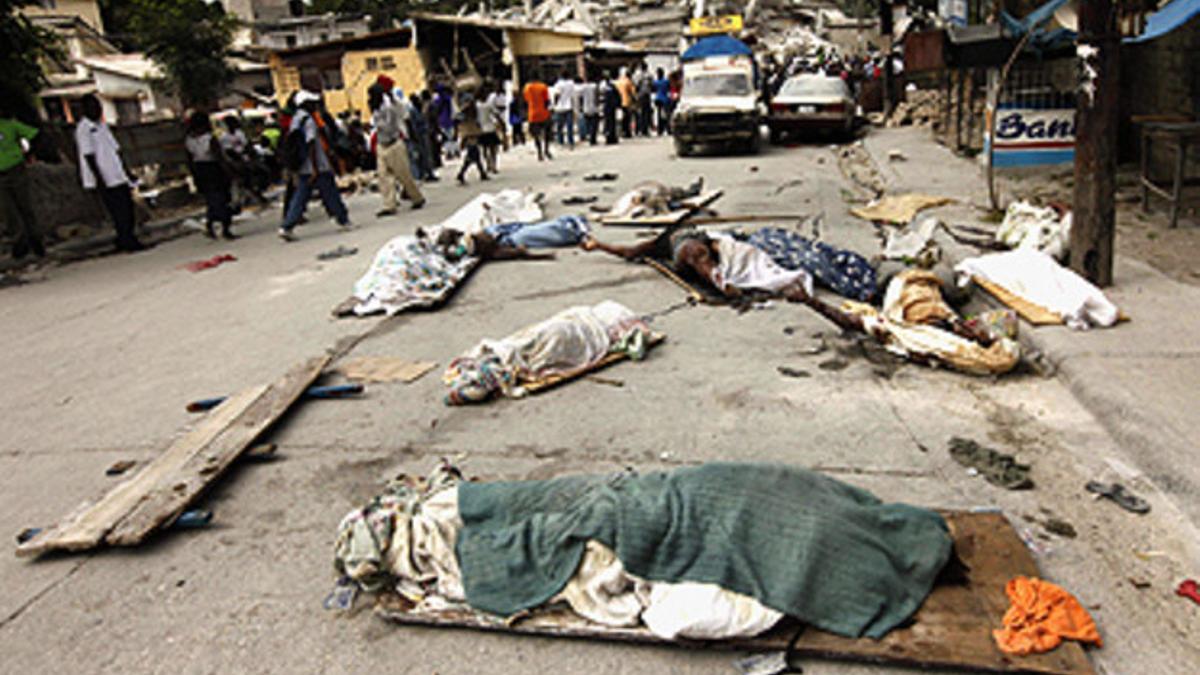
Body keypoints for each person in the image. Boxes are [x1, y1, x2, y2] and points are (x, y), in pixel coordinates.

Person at [75, 94, 146, 252]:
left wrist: (127, 172)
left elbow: (116, 150)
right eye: (93, 106)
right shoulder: (84, 128)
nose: (97, 109)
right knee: (117, 210)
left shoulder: (102, 125)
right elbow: (88, 155)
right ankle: (126, 240)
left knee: (127, 207)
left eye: (98, 106)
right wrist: (99, 179)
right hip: (104, 177)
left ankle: (126, 237)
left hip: (116, 173)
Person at [278, 90, 351, 241]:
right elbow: (311, 144)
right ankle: (343, 219)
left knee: (300, 196)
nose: (315, 106)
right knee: (331, 193)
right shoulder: (309, 121)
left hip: (304, 166)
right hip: (317, 165)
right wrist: (316, 168)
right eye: (312, 103)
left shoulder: (296, 120)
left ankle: (287, 226)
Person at [368, 84, 424, 217]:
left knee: (403, 175)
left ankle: (417, 198)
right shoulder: (375, 110)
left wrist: (377, 124)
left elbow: (388, 127)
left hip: (394, 144)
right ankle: (389, 205)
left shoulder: (389, 109)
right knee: (383, 176)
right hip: (382, 145)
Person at [0, 107, 45, 260]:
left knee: (25, 205)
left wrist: (28, 153)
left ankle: (35, 238)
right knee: (8, 210)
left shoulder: (10, 125)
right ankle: (19, 242)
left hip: (15, 169)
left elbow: (34, 134)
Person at [184, 112, 237, 241]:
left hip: (199, 169)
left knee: (211, 199)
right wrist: (229, 171)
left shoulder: (189, 140)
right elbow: (219, 157)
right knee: (223, 198)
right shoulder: (209, 138)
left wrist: (194, 175)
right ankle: (225, 228)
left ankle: (210, 224)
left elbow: (189, 159)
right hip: (214, 168)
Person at [454, 93, 488, 185]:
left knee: (475, 154)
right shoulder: (465, 110)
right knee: (473, 153)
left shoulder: (469, 109)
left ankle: (481, 173)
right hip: (469, 133)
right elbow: (458, 119)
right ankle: (462, 173)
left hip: (471, 132)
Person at [523, 74, 552, 161]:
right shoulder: (543, 86)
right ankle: (546, 149)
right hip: (544, 113)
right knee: (547, 133)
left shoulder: (527, 88)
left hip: (533, 114)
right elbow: (547, 101)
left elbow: (526, 101)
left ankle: (539, 152)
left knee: (536, 135)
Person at [478, 82, 503, 174]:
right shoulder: (488, 105)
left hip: (481, 129)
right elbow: (496, 114)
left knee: (484, 149)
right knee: (493, 149)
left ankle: (488, 164)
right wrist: (501, 125)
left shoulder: (476, 105)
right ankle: (493, 165)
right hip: (490, 128)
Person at [551, 70, 576, 149]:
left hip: (560, 107)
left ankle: (560, 141)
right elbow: (572, 95)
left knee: (559, 126)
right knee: (569, 126)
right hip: (569, 106)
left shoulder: (559, 84)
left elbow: (557, 95)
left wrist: (554, 104)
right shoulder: (571, 83)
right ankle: (570, 142)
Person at [578, 73, 599, 146]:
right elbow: (597, 96)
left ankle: (587, 136)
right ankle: (593, 139)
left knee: (587, 123)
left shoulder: (583, 87)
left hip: (585, 107)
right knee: (594, 125)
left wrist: (580, 106)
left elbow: (580, 97)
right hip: (594, 107)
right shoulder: (595, 86)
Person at [600, 71, 620, 145]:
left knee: (608, 123)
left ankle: (610, 137)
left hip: (608, 107)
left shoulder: (602, 86)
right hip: (610, 107)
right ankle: (611, 137)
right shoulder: (611, 85)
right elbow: (617, 96)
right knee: (611, 123)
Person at [616, 68, 636, 138]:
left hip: (618, 103)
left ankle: (620, 132)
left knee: (620, 118)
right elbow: (633, 93)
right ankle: (627, 132)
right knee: (627, 118)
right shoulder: (628, 81)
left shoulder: (617, 82)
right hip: (626, 102)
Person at [635, 64, 653, 136]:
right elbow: (652, 85)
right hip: (647, 95)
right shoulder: (649, 75)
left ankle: (640, 129)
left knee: (640, 113)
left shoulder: (638, 75)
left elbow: (636, 85)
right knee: (646, 113)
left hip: (640, 95)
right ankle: (645, 130)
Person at [652, 67, 671, 136]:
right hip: (665, 99)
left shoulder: (655, 82)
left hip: (657, 99)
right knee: (666, 114)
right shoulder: (666, 81)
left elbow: (653, 90)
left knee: (659, 114)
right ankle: (668, 129)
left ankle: (660, 130)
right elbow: (669, 89)